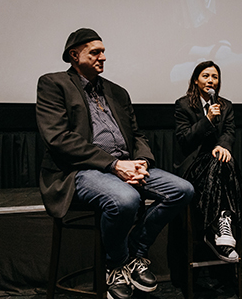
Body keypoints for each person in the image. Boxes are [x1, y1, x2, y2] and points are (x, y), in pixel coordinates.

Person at [36, 28, 194, 299]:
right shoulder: (54, 84)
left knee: (183, 190)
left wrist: (142, 162)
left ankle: (136, 251)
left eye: (104, 51)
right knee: (125, 199)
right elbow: (58, 139)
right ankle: (116, 263)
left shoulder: (117, 91)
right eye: (95, 52)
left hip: (125, 164)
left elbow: (137, 135)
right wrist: (113, 165)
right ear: (75, 55)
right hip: (80, 170)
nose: (103, 57)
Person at [173, 60, 242, 263]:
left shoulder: (226, 105)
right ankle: (219, 225)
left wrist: (222, 146)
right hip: (193, 164)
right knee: (222, 164)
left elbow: (229, 133)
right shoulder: (183, 105)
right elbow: (184, 139)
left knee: (223, 161)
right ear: (196, 80)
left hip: (217, 161)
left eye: (214, 76)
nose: (211, 80)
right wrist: (207, 120)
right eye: (206, 76)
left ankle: (221, 222)